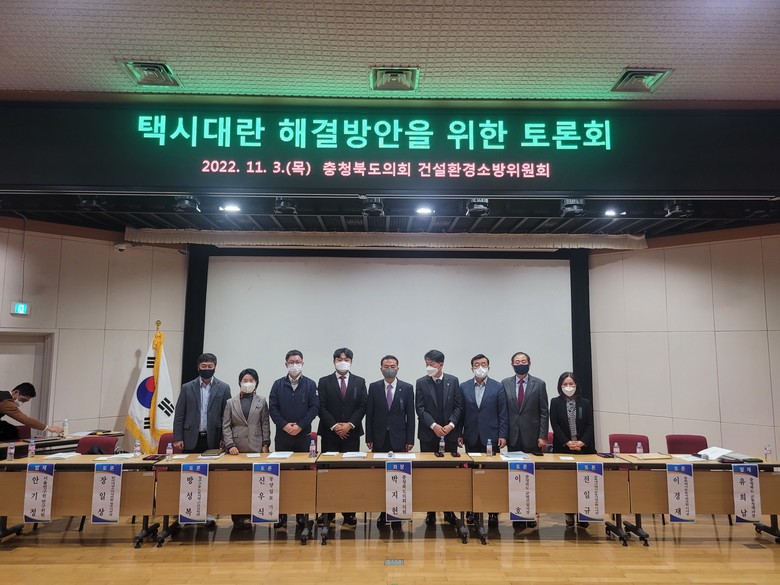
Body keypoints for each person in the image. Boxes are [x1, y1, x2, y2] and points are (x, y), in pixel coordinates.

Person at [268, 349, 319, 530]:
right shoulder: (277, 384)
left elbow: (314, 408)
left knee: (301, 477)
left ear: (302, 363)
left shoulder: (310, 384)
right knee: (282, 476)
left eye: (297, 362)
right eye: (291, 362)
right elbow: (272, 408)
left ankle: (301, 515)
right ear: (286, 364)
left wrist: (300, 426)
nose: (294, 365)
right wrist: (284, 425)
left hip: (303, 438)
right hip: (283, 437)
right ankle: (281, 515)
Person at [317, 347, 367, 527]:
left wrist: (349, 425)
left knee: (349, 473)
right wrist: (335, 426)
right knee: (328, 473)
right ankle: (327, 512)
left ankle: (349, 513)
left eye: (346, 359)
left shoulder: (359, 381)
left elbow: (362, 406)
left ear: (351, 361)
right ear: (334, 361)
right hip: (330, 434)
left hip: (351, 434)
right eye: (339, 359)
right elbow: (320, 406)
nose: (343, 362)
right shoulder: (324, 381)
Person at [366, 354, 415, 528]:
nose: (389, 369)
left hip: (399, 438)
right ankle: (382, 513)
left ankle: (398, 514)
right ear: (381, 368)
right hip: (379, 438)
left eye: (392, 366)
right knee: (381, 478)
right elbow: (369, 414)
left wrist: (410, 439)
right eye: (386, 366)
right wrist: (369, 437)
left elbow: (411, 416)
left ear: (398, 368)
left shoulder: (407, 388)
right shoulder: (373, 387)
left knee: (399, 476)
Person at [458, 354, 507, 528]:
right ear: (472, 368)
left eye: (483, 364)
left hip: (491, 438)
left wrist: (503, 435)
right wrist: (459, 433)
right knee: (472, 474)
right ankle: (472, 510)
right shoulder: (463, 387)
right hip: (471, 436)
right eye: (476, 364)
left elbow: (503, 414)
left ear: (488, 367)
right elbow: (460, 413)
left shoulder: (498, 387)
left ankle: (492, 512)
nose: (480, 367)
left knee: (492, 476)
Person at [501, 351, 548, 530]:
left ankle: (531, 513)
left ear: (529, 363)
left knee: (531, 478)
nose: (520, 363)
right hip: (513, 437)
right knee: (516, 477)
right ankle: (518, 515)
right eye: (517, 361)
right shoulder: (505, 383)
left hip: (533, 438)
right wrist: (503, 435)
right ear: (512, 365)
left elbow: (544, 412)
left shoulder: (539, 384)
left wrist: (543, 436)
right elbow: (503, 412)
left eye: (523, 361)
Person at [415, 349, 462, 526]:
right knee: (429, 474)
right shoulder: (421, 382)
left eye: (431, 364)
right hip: (429, 435)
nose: (428, 367)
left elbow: (458, 407)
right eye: (426, 363)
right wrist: (433, 425)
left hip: (449, 435)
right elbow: (420, 408)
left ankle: (449, 510)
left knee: (449, 475)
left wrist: (451, 425)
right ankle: (431, 511)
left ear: (441, 364)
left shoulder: (453, 381)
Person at [222, 368, 271, 528]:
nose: (248, 383)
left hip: (256, 446)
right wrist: (230, 445)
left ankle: (252, 513)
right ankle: (237, 516)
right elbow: (226, 426)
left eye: (251, 380)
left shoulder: (261, 401)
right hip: (236, 449)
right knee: (237, 484)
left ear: (256, 383)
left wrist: (265, 444)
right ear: (239, 382)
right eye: (245, 380)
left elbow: (265, 424)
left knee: (254, 482)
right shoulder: (231, 402)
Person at [549, 371, 595, 528]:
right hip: (564, 448)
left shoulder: (585, 403)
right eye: (565, 384)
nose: (568, 387)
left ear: (576, 385)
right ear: (560, 386)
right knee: (567, 483)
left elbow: (590, 424)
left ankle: (584, 514)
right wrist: (567, 442)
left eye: (571, 384)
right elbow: (555, 425)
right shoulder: (555, 402)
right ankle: (569, 513)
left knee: (584, 482)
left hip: (583, 449)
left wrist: (582, 442)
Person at [173, 353, 231, 453]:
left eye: (210, 366)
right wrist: (178, 438)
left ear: (215, 367)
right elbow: (179, 414)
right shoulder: (187, 388)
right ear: (198, 367)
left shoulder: (224, 388)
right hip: (190, 438)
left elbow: (227, 416)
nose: (207, 369)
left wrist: (224, 438)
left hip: (214, 438)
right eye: (203, 366)